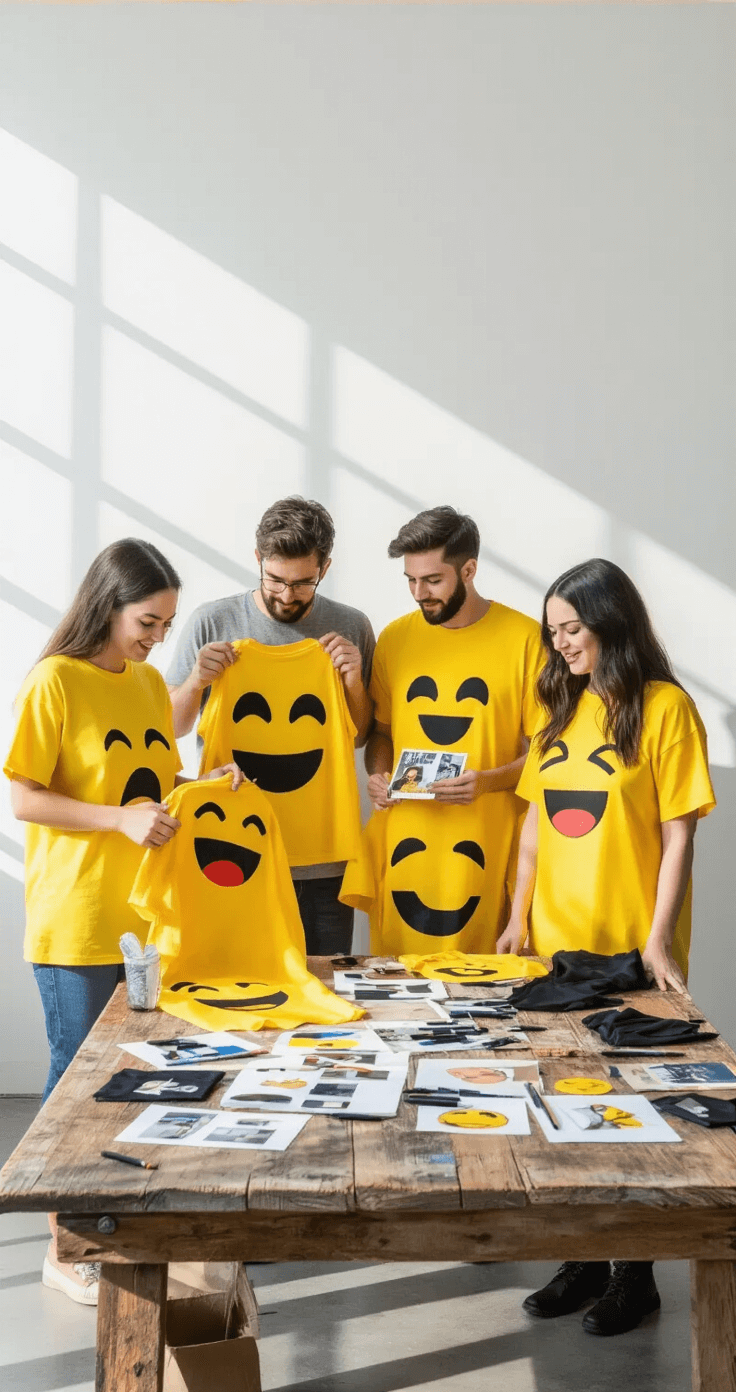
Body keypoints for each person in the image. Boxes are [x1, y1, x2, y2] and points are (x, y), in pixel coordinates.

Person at [4, 538, 240, 1306]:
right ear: (107, 604)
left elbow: (154, 778)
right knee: (77, 1076)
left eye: (166, 625)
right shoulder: (55, 682)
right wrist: (117, 820)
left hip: (147, 917)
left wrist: (206, 784)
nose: (156, 638)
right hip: (77, 918)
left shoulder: (144, 684)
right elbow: (25, 797)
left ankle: (123, 1228)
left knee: (139, 1076)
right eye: (148, 621)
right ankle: (64, 1246)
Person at [498, 556, 715, 1336]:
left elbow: (678, 832)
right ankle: (583, 1258)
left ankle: (636, 1274)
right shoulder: (558, 706)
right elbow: (530, 824)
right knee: (558, 1099)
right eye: (552, 631)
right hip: (556, 946)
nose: (560, 645)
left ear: (609, 622)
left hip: (628, 944)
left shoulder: (664, 710)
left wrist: (659, 938)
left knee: (631, 1110)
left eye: (571, 629)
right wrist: (518, 916)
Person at [166, 497, 375, 954]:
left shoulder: (351, 626)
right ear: (258, 559)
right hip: (230, 843)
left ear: (326, 567)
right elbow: (171, 729)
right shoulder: (213, 623)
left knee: (326, 990)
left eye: (303, 583)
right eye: (276, 579)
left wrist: (353, 682)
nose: (286, 595)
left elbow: (358, 734)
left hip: (324, 858)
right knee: (238, 989)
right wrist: (198, 680)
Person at [363, 505, 543, 949]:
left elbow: (550, 752)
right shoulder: (394, 638)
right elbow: (381, 733)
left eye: (432, 580)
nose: (419, 592)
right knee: (398, 990)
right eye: (410, 579)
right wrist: (377, 775)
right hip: (407, 841)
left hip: (489, 843)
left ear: (469, 570)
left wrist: (487, 782)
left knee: (484, 993)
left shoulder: (526, 639)